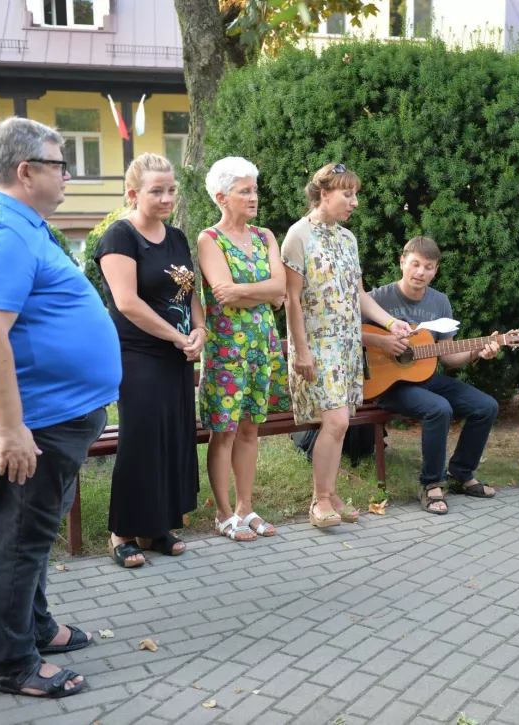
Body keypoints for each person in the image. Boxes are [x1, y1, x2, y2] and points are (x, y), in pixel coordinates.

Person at [0, 117, 121, 698]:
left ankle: (37, 628)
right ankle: (13, 664)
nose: (68, 176)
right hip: (30, 425)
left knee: (36, 533)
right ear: (26, 171)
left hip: (51, 418)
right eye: (60, 165)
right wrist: (10, 429)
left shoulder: (22, 226)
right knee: (19, 540)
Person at [282, 162, 411, 527]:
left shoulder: (347, 239)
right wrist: (301, 350)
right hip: (316, 345)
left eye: (355, 195)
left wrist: (390, 322)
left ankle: (331, 492)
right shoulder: (298, 236)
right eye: (347, 194)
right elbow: (291, 300)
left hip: (347, 346)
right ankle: (319, 500)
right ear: (324, 194)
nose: (354, 202)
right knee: (336, 421)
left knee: (339, 424)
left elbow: (358, 296)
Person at [95, 153, 204, 567]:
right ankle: (122, 532)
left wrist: (200, 331)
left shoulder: (175, 237)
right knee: (141, 440)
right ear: (133, 194)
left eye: (171, 189)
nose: (166, 198)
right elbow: (127, 303)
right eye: (156, 191)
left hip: (178, 353)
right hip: (138, 354)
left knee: (173, 437)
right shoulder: (120, 237)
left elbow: (189, 292)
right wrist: (179, 337)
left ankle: (157, 525)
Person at [365, 236, 500, 514]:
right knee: (439, 408)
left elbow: (448, 357)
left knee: (486, 406)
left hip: (424, 379)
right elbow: (348, 335)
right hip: (385, 385)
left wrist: (477, 351)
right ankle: (430, 484)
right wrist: (383, 343)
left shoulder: (440, 301)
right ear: (402, 262)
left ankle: (461, 474)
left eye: (428, 267)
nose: (420, 272)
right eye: (415, 264)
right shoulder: (378, 298)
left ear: (435, 270)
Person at [197, 157, 285, 541]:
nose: (254, 197)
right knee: (225, 432)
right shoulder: (209, 239)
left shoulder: (265, 236)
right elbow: (221, 292)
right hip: (225, 352)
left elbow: (280, 291)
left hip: (262, 348)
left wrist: (244, 292)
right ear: (222, 197)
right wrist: (262, 292)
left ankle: (246, 508)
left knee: (250, 430)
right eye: (244, 191)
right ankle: (222, 513)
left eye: (254, 190)